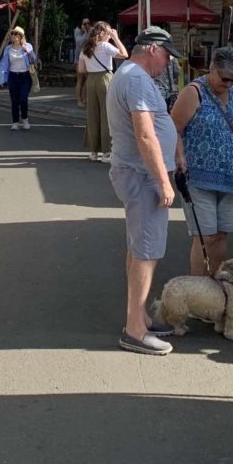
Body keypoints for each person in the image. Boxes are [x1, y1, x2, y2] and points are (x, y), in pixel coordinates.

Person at [108, 27, 183, 356]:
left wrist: (174, 156)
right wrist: (164, 180)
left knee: (140, 248)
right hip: (143, 175)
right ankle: (135, 330)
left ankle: (138, 318)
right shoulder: (137, 79)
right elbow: (145, 134)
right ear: (152, 49)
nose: (167, 63)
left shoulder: (129, 73)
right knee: (146, 252)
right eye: (167, 55)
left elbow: (153, 130)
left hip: (138, 173)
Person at [169, 46, 233, 277]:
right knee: (205, 237)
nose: (229, 84)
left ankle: (216, 285)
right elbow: (174, 128)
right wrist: (180, 157)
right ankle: (198, 291)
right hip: (199, 177)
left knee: (222, 234)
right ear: (212, 69)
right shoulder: (194, 92)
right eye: (225, 79)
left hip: (231, 177)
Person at [77, 20, 127, 161]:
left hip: (90, 80)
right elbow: (124, 54)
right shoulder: (105, 46)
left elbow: (81, 69)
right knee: (107, 115)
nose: (110, 35)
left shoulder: (85, 47)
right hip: (105, 79)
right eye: (109, 32)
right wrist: (116, 38)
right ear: (103, 33)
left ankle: (93, 151)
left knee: (92, 115)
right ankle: (106, 152)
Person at [0, 25, 40, 131]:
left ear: (21, 36)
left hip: (25, 76)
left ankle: (25, 119)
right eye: (12, 33)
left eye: (16, 34)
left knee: (23, 98)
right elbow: (3, 64)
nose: (14, 35)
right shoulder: (8, 49)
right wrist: (2, 78)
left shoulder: (27, 46)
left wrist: (28, 51)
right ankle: (15, 122)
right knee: (14, 100)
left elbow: (35, 59)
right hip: (13, 76)